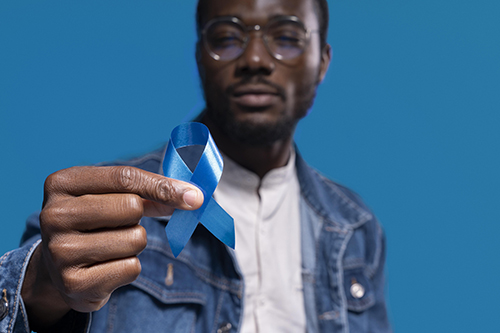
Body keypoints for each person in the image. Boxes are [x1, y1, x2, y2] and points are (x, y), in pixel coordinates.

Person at [0, 0, 391, 331]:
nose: (255, 59)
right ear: (200, 58)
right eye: (227, 37)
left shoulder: (357, 228)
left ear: (322, 61)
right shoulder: (109, 203)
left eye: (287, 37)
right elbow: (41, 281)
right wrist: (39, 283)